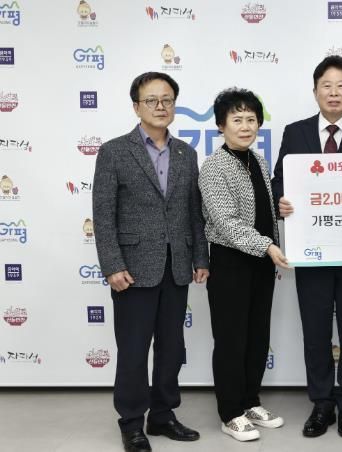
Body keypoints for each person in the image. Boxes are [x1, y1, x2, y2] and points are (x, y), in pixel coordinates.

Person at [271, 55, 342, 438]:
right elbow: (278, 181)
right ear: (315, 91)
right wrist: (281, 200)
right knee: (316, 332)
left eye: (341, 86)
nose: (334, 93)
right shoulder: (296, 132)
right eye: (327, 86)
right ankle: (321, 403)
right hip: (312, 253)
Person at [92, 71, 209, 452]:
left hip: (176, 265)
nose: (160, 106)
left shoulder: (186, 153)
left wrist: (200, 256)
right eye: (151, 100)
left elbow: (194, 212)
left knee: (171, 348)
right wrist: (112, 265)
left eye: (167, 100)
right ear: (136, 106)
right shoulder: (114, 151)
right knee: (133, 349)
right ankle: (131, 422)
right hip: (132, 268)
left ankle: (162, 415)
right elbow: (103, 214)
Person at [199, 88, 289, 442]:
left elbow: (263, 212)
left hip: (262, 263)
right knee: (231, 340)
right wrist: (267, 246)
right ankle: (230, 413)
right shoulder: (214, 167)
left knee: (256, 336)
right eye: (237, 119)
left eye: (251, 119)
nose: (245, 126)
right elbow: (226, 222)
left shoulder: (258, 161)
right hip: (231, 263)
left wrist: (278, 225)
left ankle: (251, 401)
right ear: (221, 125)